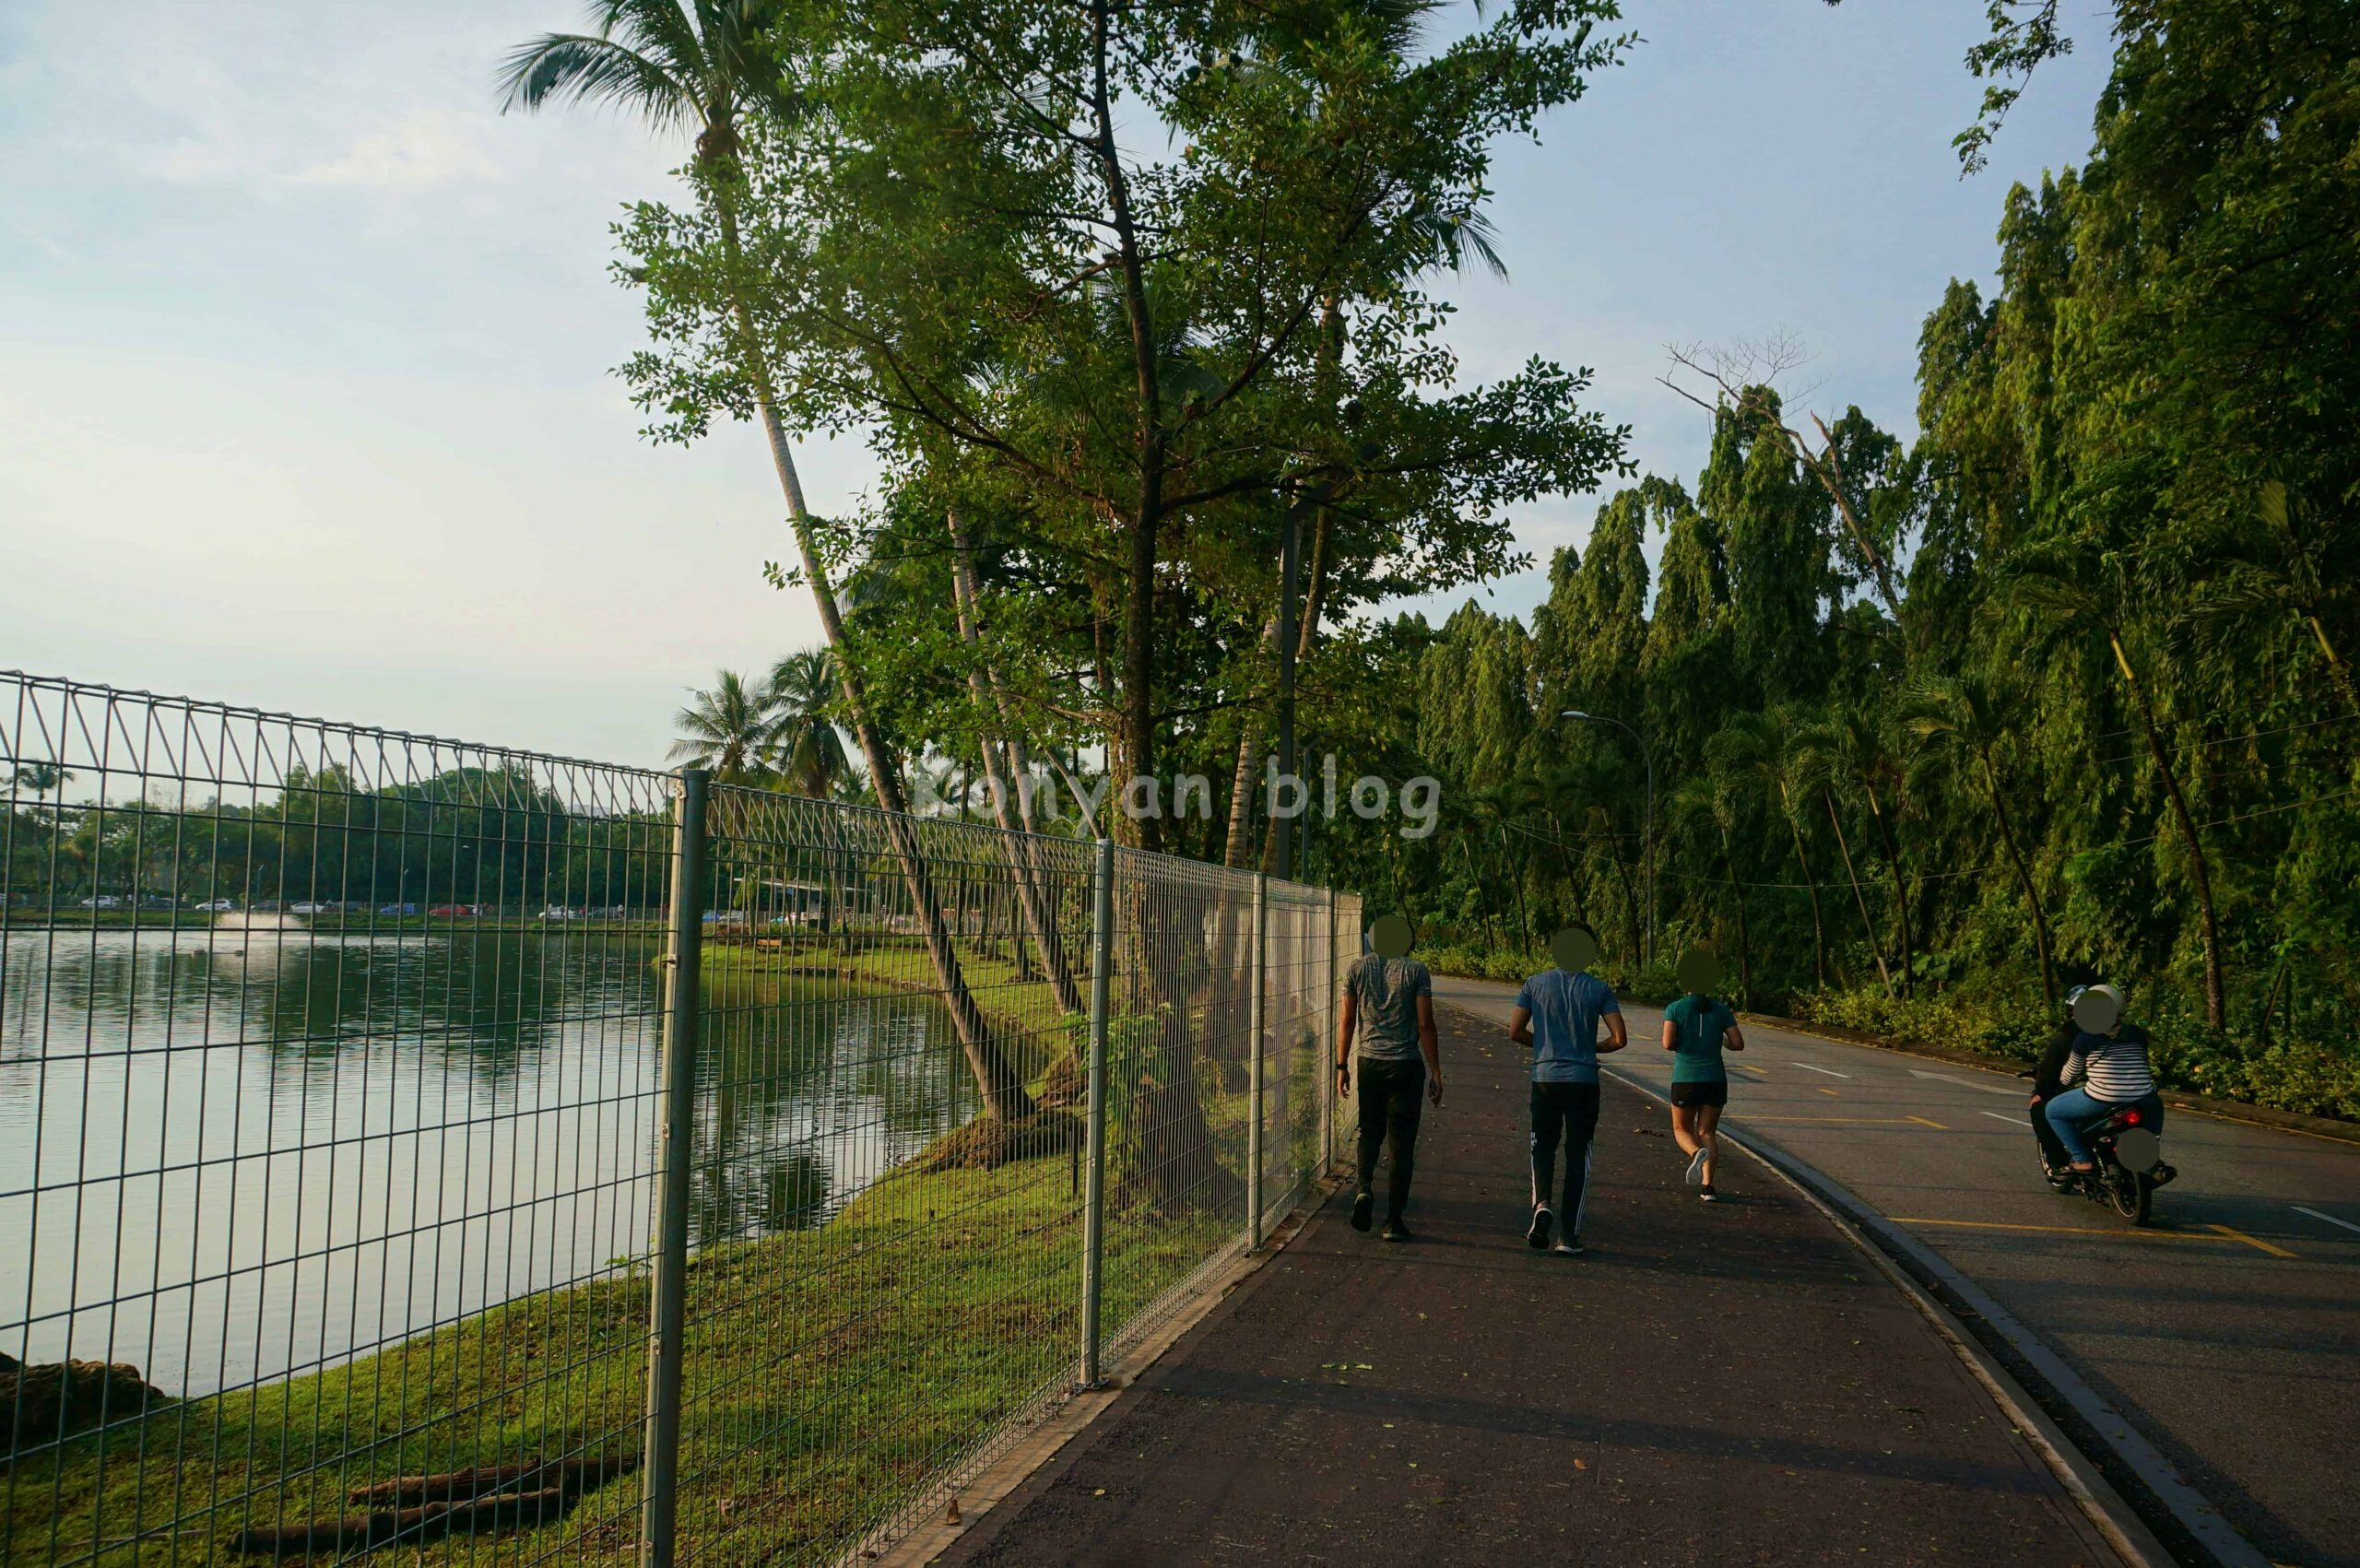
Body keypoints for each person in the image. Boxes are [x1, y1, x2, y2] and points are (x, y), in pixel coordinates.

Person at [1510, 924, 1625, 1256]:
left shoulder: (1534, 984)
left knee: (1541, 1147)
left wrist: (1544, 1045)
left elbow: (1515, 1030)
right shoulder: (1599, 989)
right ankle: (1569, 1235)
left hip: (1545, 1078)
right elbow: (1620, 1039)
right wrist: (1589, 1049)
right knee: (1578, 1155)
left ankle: (1542, 1204)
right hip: (1584, 1082)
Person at [1336, 914, 1443, 1243]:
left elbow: (1347, 1020)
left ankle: (1364, 1188)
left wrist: (1342, 1065)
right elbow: (1425, 1024)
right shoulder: (1416, 971)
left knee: (1370, 1131)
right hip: (1406, 1066)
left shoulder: (1357, 969)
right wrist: (1436, 1071)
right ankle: (1394, 1221)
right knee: (1402, 1145)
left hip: (1370, 1062)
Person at [2042, 984, 2165, 1173]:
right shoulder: (2136, 1033)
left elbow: (2070, 1074)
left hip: (2104, 1098)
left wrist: (2060, 1083)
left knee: (2052, 1111)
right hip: (2146, 1099)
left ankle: (2082, 1159)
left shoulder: (2085, 1038)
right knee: (2151, 1128)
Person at [1661, 949, 1743, 1203]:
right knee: (1707, 1131)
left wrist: (1681, 1043)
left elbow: (1667, 1043)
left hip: (1686, 1076)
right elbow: (1737, 1043)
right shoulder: (1721, 1010)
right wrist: (1719, 1039)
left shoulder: (1675, 1008)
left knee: (1680, 1128)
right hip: (1715, 1079)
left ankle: (1696, 1152)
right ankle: (1708, 1187)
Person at [2027, 987, 2087, 1175]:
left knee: (2044, 1110)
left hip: (2094, 1093)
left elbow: (2064, 1072)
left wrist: (2042, 1092)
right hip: (2142, 1094)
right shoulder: (2126, 1033)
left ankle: (2063, 1162)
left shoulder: (2073, 1037)